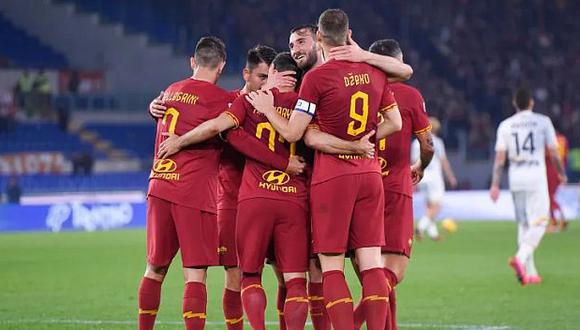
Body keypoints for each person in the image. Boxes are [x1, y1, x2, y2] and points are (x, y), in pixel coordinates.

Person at [245, 9, 403, 329]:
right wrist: (363, 140)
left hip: (331, 178)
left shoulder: (316, 79)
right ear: (349, 34)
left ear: (319, 37)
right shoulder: (373, 71)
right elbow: (396, 122)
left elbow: (293, 133)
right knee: (371, 265)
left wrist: (267, 108)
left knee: (330, 268)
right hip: (370, 174)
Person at [149, 44, 301, 330]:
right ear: (246, 74)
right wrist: (155, 106)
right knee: (238, 274)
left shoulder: (282, 104)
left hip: (276, 197)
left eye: (271, 78)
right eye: (260, 77)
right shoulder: (231, 103)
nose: (266, 85)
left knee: (284, 276)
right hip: (234, 201)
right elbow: (191, 114)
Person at [137, 36, 234, 330]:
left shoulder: (170, 92)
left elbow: (164, 115)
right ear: (221, 66)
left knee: (154, 268)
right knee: (195, 273)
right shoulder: (222, 99)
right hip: (192, 192)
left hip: (159, 185)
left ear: (193, 62)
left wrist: (152, 106)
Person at [347, 39, 434, 330]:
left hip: (359, 187)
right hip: (395, 188)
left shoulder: (358, 90)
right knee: (390, 274)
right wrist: (421, 165)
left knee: (373, 276)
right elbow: (428, 144)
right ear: (397, 62)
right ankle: (347, 325)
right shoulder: (409, 96)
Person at [490, 87, 567, 286]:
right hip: (535, 177)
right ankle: (521, 258)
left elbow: (500, 159)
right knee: (541, 221)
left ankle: (530, 273)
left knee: (524, 224)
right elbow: (553, 152)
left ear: (515, 103)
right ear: (531, 103)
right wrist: (561, 172)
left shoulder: (506, 125)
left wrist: (495, 184)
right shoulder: (543, 122)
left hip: (516, 178)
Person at [413, 117, 457, 241]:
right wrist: (451, 177)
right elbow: (443, 161)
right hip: (434, 178)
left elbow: (413, 161)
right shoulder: (437, 142)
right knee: (437, 206)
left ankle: (433, 234)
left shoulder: (416, 143)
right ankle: (421, 227)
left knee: (429, 207)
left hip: (422, 177)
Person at [545, 121, 569, 232]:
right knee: (552, 196)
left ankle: (555, 222)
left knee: (549, 196)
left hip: (550, 169)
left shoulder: (549, 140)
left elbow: (546, 156)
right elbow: (565, 158)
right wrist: (563, 173)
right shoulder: (563, 140)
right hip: (560, 170)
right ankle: (561, 219)